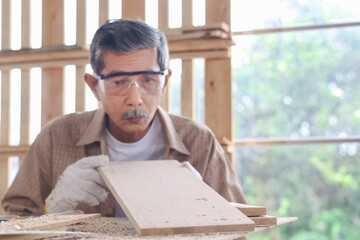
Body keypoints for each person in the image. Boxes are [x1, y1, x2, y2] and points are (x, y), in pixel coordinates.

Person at [2, 19, 246, 216]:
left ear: (165, 82)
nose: (135, 99)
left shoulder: (199, 142)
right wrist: (51, 209)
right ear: (94, 86)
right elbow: (11, 222)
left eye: (148, 80)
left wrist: (204, 215)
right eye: (119, 82)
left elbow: (240, 232)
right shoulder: (56, 137)